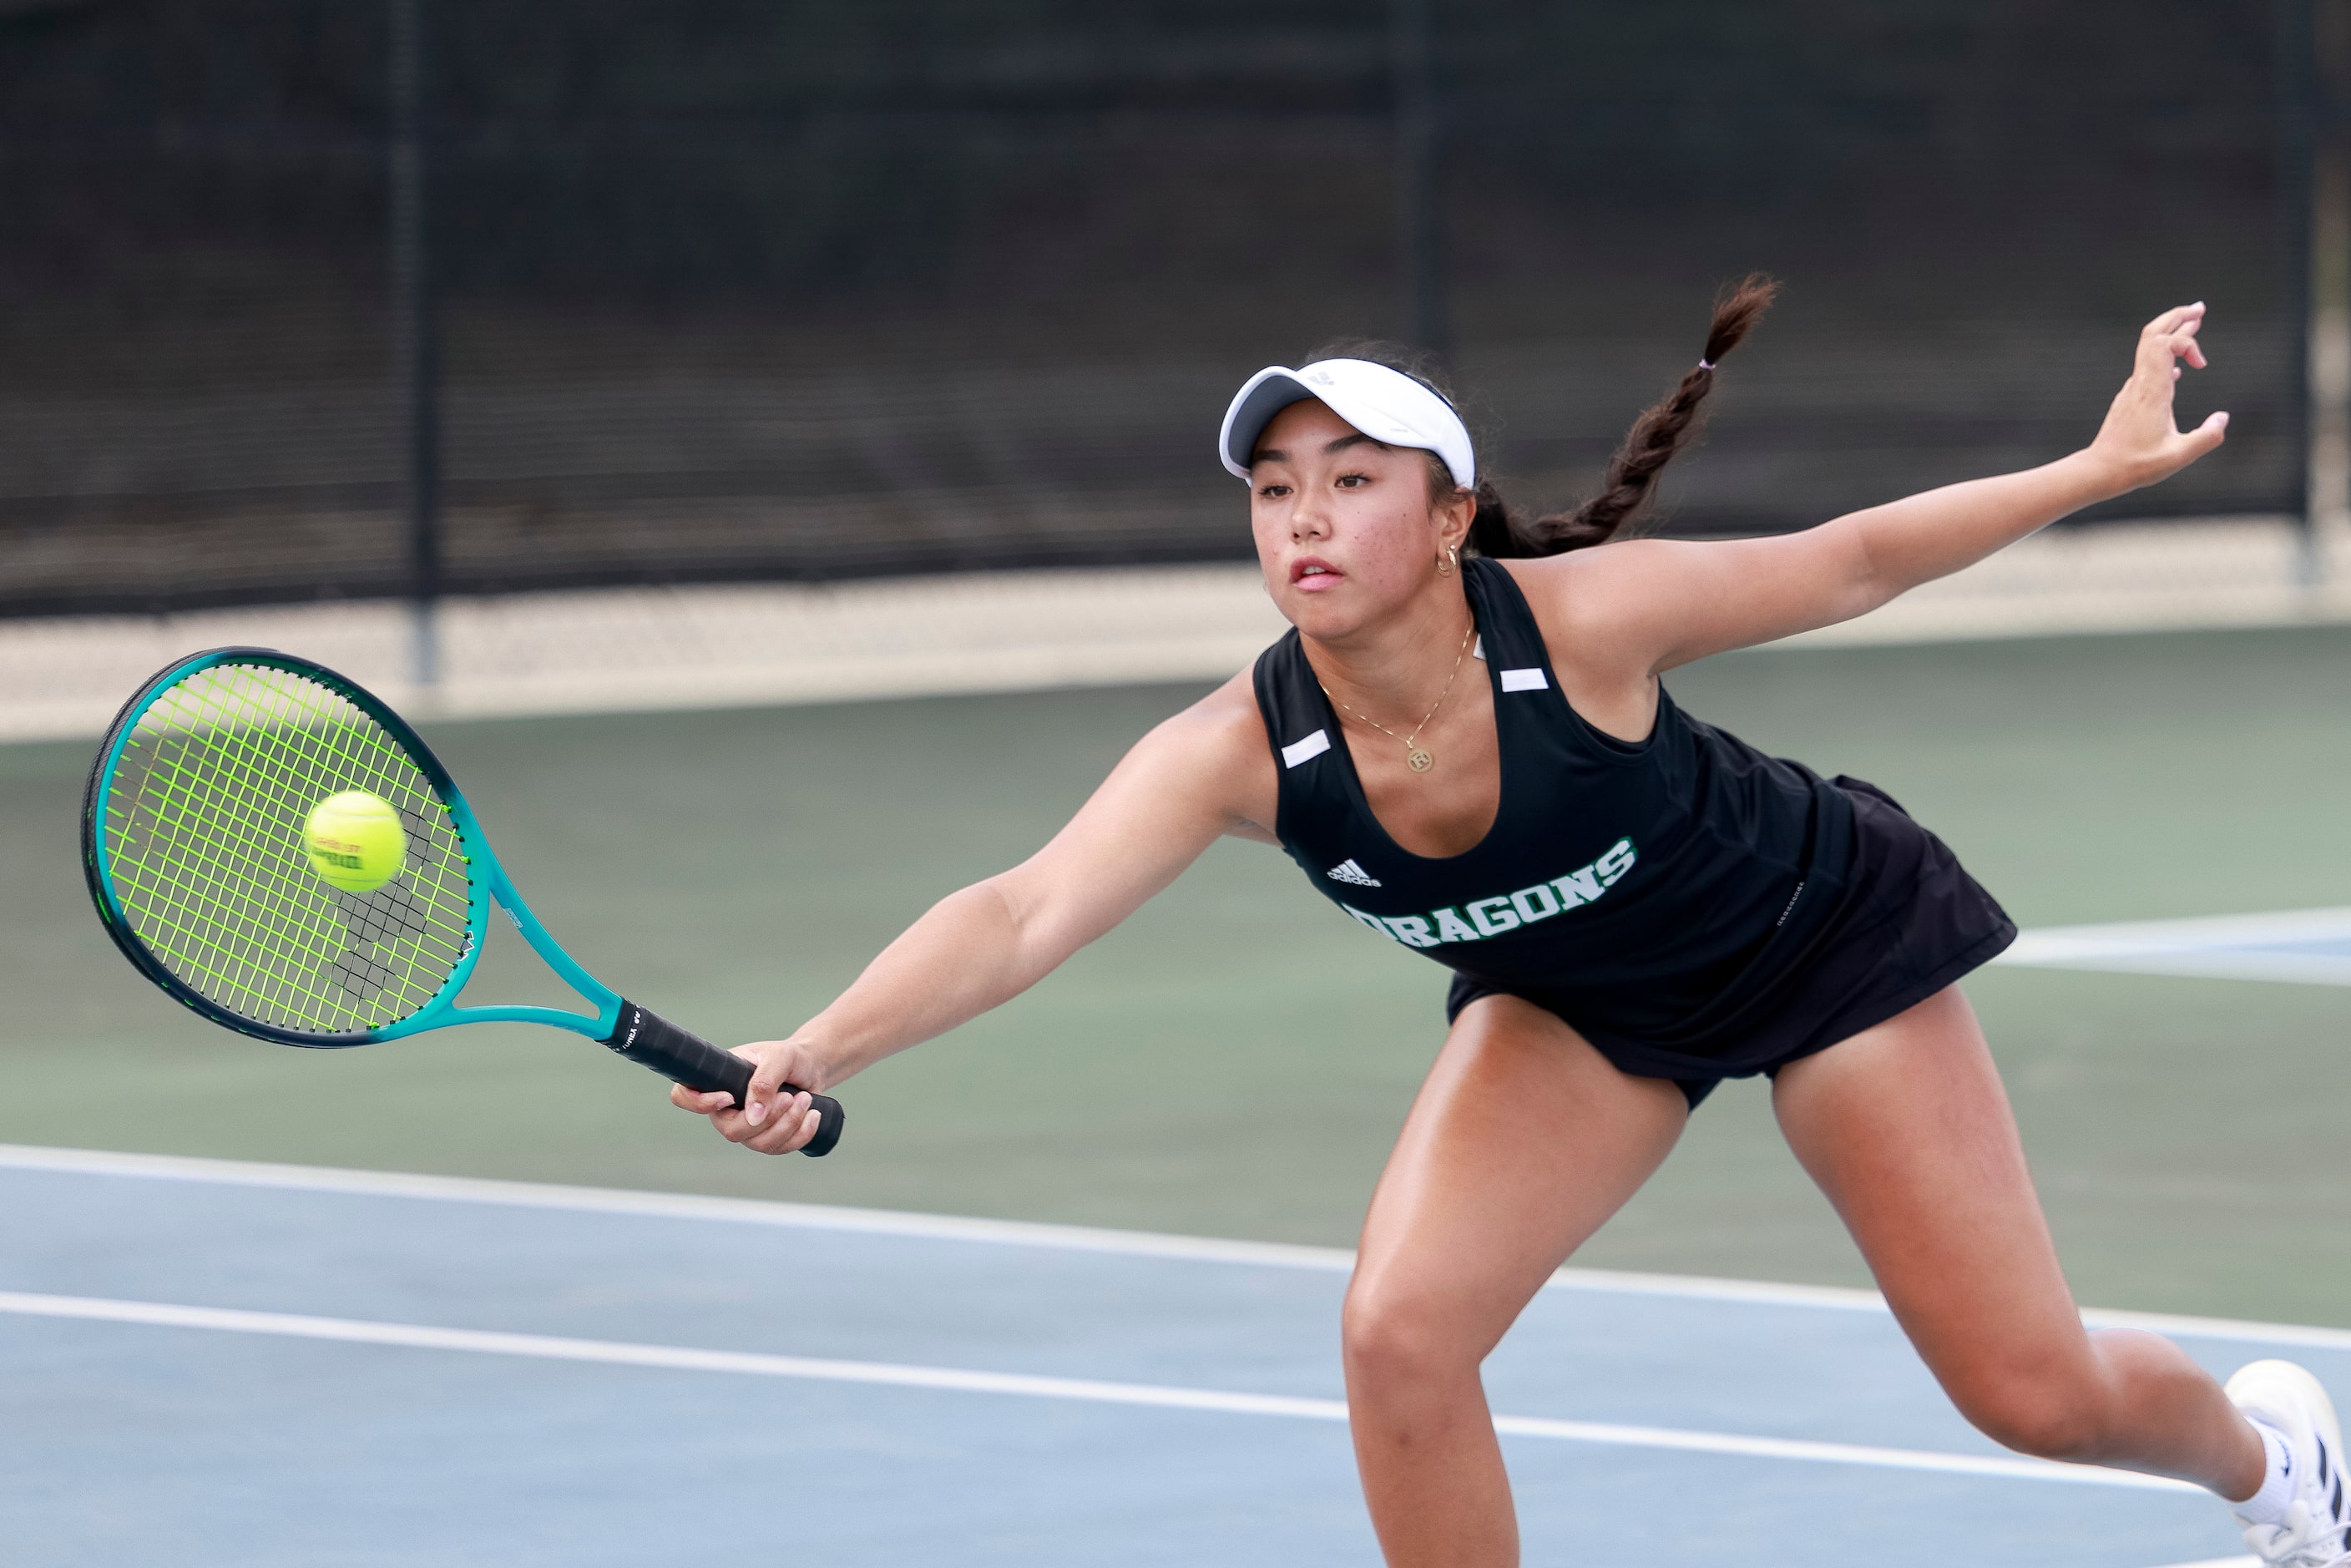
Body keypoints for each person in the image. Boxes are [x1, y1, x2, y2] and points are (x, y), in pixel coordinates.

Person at [674, 283, 2347, 1568]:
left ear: (1451, 516)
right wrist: (811, 1047)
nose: (1303, 515)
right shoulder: (1237, 752)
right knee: (1399, 1336)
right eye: (1272, 487)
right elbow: (1024, 908)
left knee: (2031, 1399)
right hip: (1574, 1008)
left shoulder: (1579, 629)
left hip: (1818, 948)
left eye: (1350, 477)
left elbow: (1845, 563)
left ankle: (2277, 1468)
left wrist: (2098, 466)